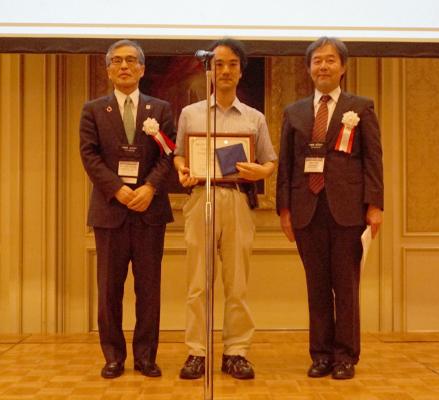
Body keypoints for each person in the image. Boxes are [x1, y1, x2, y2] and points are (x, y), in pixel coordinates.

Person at [276, 37, 383, 380]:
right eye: (317, 61)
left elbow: (373, 161)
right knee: (317, 287)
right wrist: (284, 209)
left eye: (330, 60)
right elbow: (287, 165)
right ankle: (320, 354)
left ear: (343, 66)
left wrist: (375, 205)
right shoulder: (294, 112)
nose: (323, 66)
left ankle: (345, 356)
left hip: (348, 210)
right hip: (307, 209)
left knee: (346, 287)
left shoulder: (361, 107)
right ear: (309, 68)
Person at [173, 38, 277, 380]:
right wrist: (182, 168)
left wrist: (260, 172)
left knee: (237, 283)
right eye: (218, 64)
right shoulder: (191, 113)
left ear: (241, 71)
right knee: (197, 283)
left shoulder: (254, 118)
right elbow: (179, 155)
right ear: (210, 70)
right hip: (200, 199)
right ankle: (197, 352)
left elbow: (269, 162)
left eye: (232, 64)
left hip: (237, 200)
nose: (225, 70)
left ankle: (236, 351)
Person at [79, 39, 175, 379]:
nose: (124, 66)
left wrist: (149, 187)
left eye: (131, 61)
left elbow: (169, 154)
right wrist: (118, 190)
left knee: (149, 290)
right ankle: (113, 357)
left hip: (150, 212)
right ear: (108, 70)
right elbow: (89, 156)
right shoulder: (93, 109)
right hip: (110, 212)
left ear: (142, 69)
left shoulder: (160, 109)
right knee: (109, 291)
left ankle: (146, 357)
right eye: (117, 61)